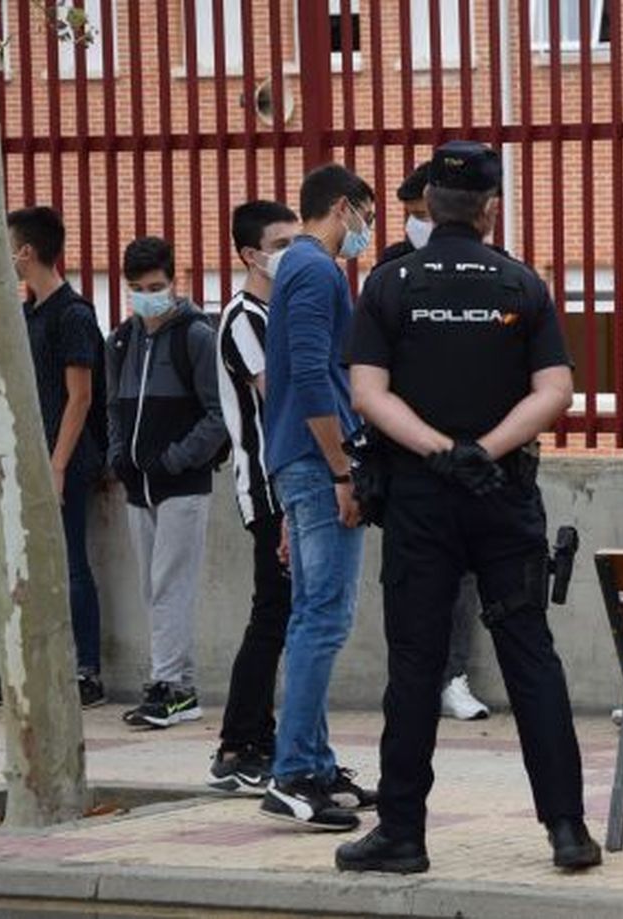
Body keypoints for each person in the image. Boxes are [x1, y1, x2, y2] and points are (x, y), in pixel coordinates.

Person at [337, 141, 601, 873]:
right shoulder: (522, 286)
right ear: (490, 209)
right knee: (530, 657)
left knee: (416, 664)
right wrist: (484, 449)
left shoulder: (389, 285)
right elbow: (555, 391)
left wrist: (438, 450)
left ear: (428, 205)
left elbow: (368, 393)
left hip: (422, 501)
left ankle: (402, 832)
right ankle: (568, 830)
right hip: (503, 496)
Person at [259, 164, 378, 830]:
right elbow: (306, 371)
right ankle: (293, 772)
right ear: (341, 206)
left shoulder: (300, 269)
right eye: (364, 213)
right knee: (323, 617)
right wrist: (339, 469)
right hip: (315, 460)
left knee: (313, 612)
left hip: (301, 462)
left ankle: (315, 758)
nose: (365, 230)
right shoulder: (314, 269)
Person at [375, 163, 490, 724]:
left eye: (424, 215)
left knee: (467, 576)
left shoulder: (488, 272)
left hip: (469, 448)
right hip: (407, 451)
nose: (419, 226)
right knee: (412, 580)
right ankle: (416, 678)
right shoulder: (392, 272)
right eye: (411, 217)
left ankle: (455, 674)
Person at [105, 236, 228, 729]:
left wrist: (175, 459)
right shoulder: (120, 339)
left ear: (173, 282)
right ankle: (178, 684)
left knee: (171, 585)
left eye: (155, 286)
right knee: (152, 587)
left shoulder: (196, 336)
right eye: (137, 288)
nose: (146, 297)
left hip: (181, 484)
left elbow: (219, 415)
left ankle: (167, 685)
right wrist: (120, 456)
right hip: (138, 485)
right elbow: (113, 406)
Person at [0, 206, 110, 708]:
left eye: (7, 245)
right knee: (29, 567)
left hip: (65, 459)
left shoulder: (73, 314)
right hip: (32, 459)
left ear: (26, 252)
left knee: (70, 566)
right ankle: (33, 665)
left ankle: (87, 669)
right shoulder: (26, 313)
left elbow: (80, 398)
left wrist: (58, 465)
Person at [207, 200, 300, 793]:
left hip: (288, 482)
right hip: (270, 486)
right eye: (281, 243)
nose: (293, 251)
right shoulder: (245, 317)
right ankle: (238, 746)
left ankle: (258, 738)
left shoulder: (278, 310)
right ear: (250, 254)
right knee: (272, 612)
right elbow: (280, 398)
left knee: (283, 612)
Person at [375, 164, 433, 266]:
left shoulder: (467, 258)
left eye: (420, 214)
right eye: (409, 214)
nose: (412, 222)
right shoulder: (393, 259)